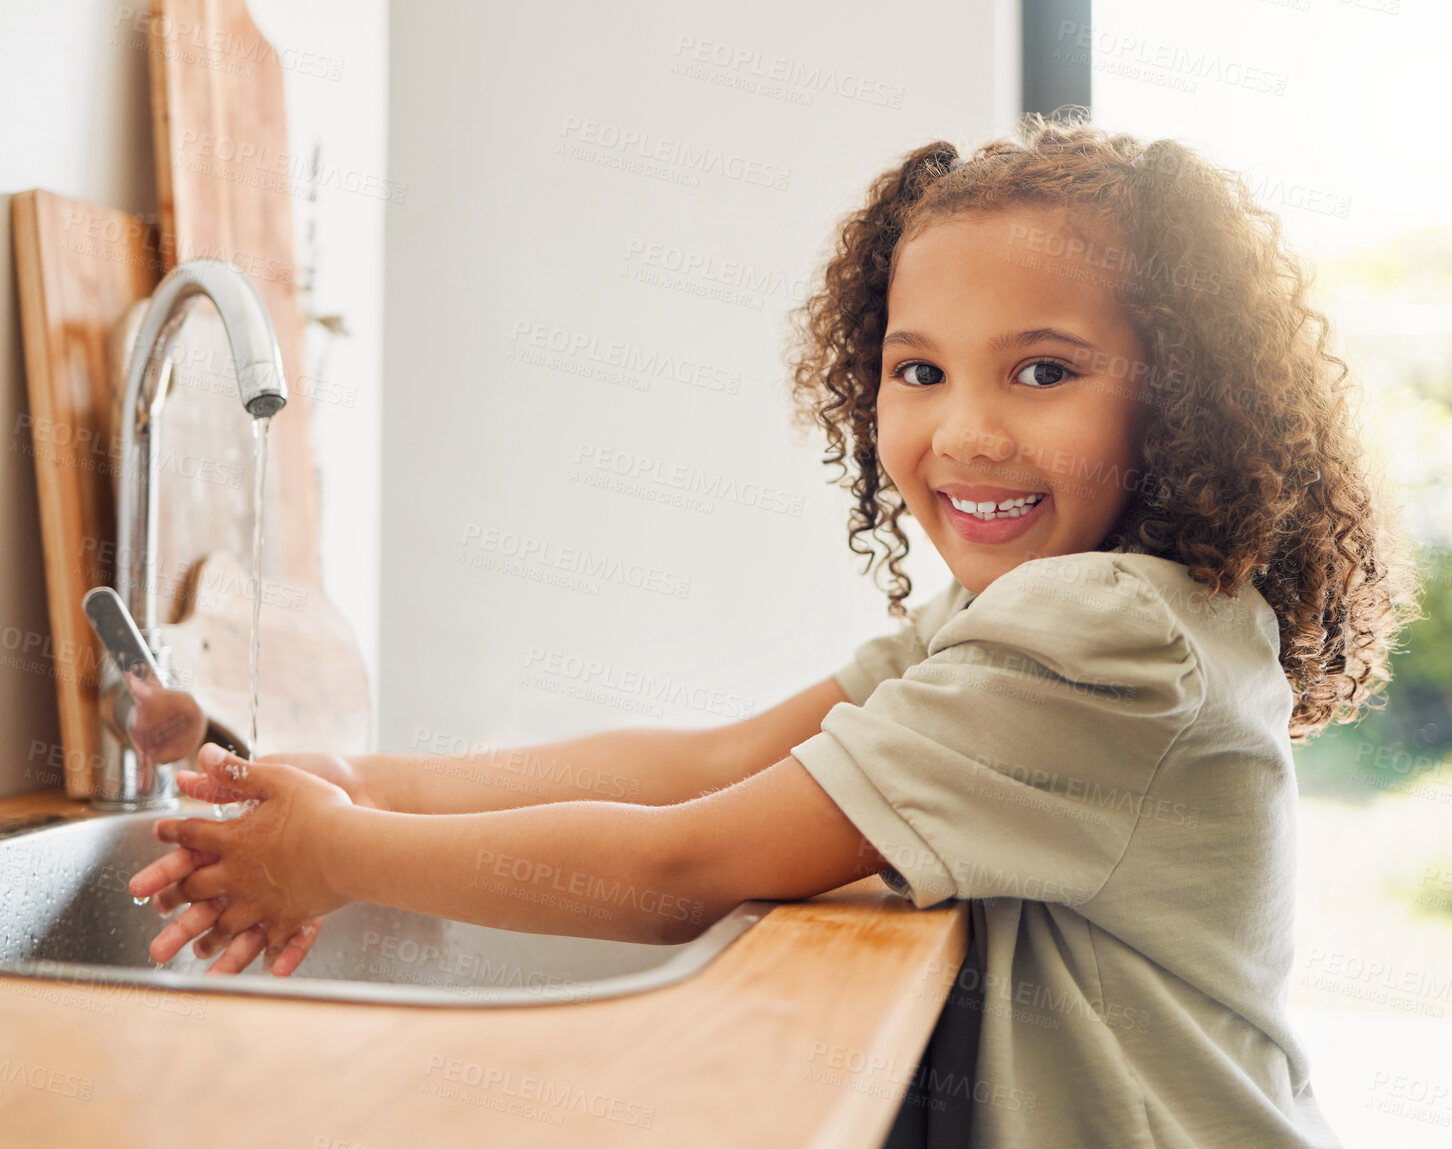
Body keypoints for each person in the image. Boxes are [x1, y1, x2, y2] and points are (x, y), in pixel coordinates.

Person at [127, 112, 1415, 1148]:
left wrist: (346, 854)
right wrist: (370, 784)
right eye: (920, 371)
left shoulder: (1104, 631)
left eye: (1043, 370)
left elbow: (690, 857)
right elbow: (712, 760)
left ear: (1182, 400)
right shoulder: (1032, 616)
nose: (964, 431)